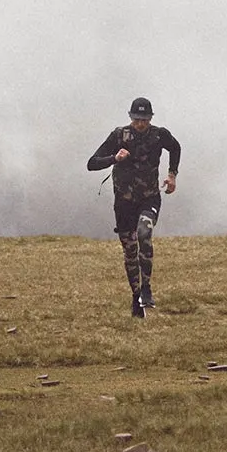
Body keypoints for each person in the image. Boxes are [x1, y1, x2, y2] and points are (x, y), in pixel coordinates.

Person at [87, 97, 180, 319]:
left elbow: (175, 147)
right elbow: (92, 163)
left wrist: (172, 175)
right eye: (137, 119)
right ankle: (136, 297)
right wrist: (114, 158)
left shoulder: (159, 135)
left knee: (144, 232)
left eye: (145, 119)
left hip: (149, 198)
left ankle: (146, 288)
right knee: (130, 251)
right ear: (130, 117)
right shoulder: (119, 135)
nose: (141, 124)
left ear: (150, 119)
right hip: (124, 203)